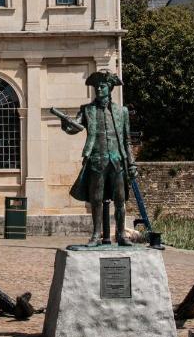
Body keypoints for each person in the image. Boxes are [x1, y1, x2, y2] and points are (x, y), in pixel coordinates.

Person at [58, 70, 138, 247]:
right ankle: (96, 235)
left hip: (117, 160)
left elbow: (126, 140)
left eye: (102, 86)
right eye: (96, 87)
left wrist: (131, 163)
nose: (98, 90)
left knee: (120, 199)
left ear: (109, 88)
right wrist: (65, 123)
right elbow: (75, 127)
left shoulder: (121, 111)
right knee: (96, 199)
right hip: (97, 159)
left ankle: (121, 235)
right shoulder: (87, 110)